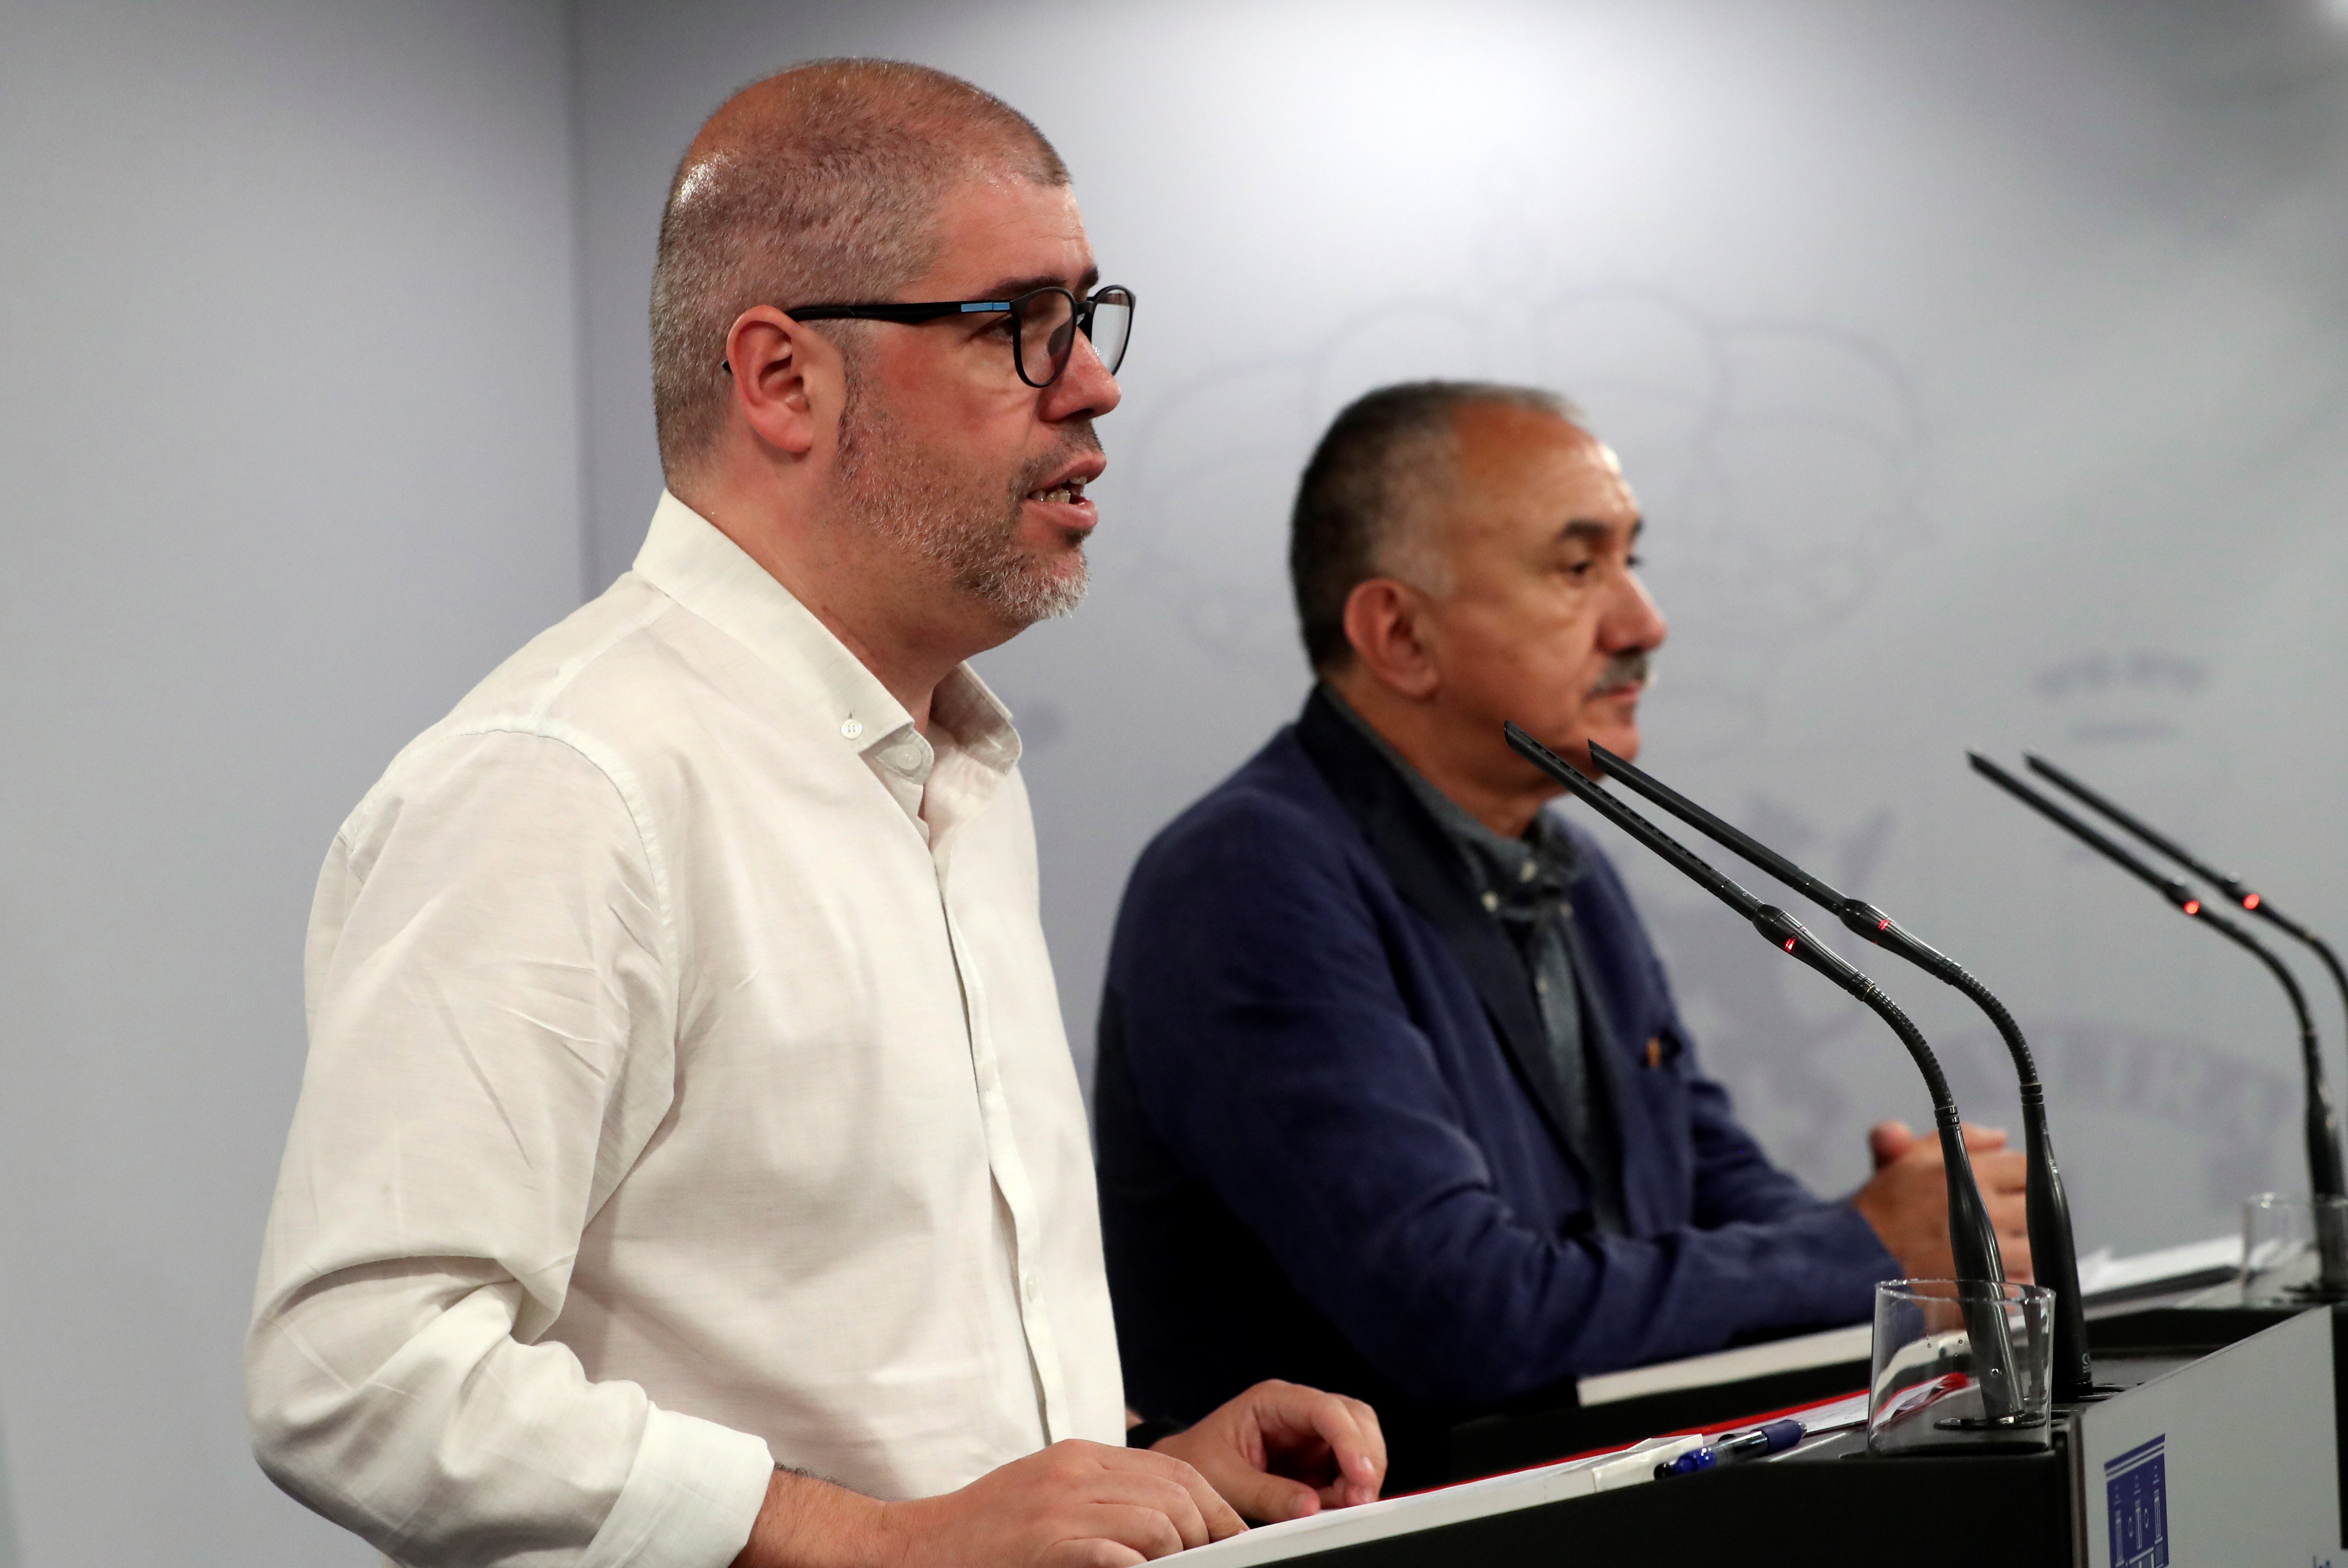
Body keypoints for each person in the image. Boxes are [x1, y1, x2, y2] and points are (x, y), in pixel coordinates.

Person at [246, 60, 1383, 1568]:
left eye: (1088, 319)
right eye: (1016, 327)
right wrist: (877, 1540)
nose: (1095, 383)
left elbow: (869, 1397)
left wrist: (1129, 1474)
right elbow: (355, 1377)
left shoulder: (958, 770)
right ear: (783, 378)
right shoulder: (566, 780)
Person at [1093, 381, 2031, 1488]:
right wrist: (1860, 1249)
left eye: (1631, 560)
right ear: (1399, 633)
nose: (1642, 622)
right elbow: (1463, 1313)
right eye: (1577, 569)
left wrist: (1915, 1246)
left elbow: (1709, 1177)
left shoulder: (1571, 871)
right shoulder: (1253, 875)